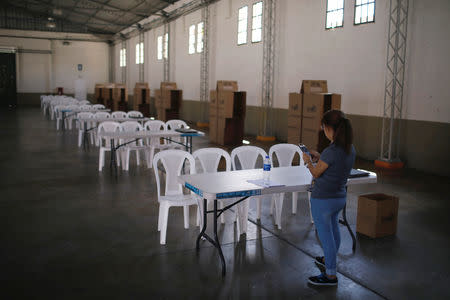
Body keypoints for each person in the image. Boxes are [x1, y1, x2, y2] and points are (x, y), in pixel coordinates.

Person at [302, 110, 355, 286]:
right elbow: (333, 167)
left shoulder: (331, 151)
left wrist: (308, 161)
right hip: (339, 197)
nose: (323, 130)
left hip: (322, 200)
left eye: (323, 127)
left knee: (326, 238)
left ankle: (330, 275)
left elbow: (317, 173)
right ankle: (327, 261)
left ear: (330, 129)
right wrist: (319, 157)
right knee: (334, 231)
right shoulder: (350, 149)